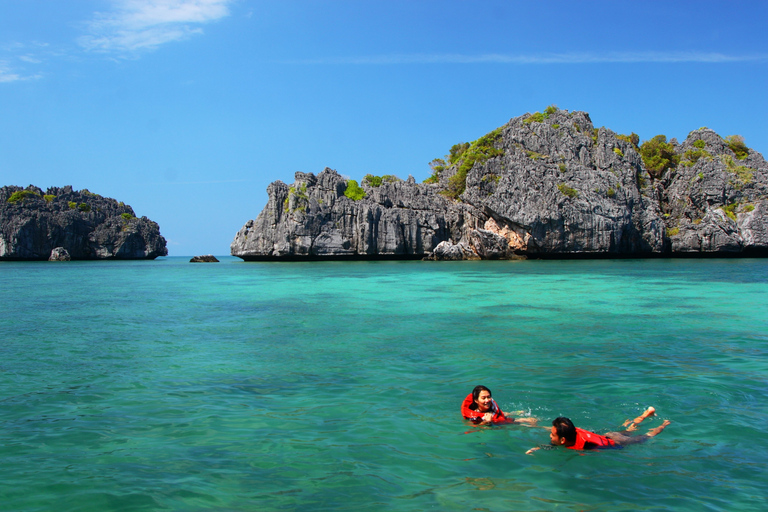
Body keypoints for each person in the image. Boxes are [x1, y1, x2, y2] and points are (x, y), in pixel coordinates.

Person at [526, 407, 671, 454]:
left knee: (647, 436)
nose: (550, 436)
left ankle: (664, 425)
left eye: (552, 434)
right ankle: (645, 415)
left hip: (615, 442)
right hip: (608, 435)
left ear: (563, 439)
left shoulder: (584, 446)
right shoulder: (569, 431)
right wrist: (538, 448)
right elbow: (555, 443)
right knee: (629, 429)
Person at [461, 385, 537, 426]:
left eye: (488, 397)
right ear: (476, 400)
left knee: (532, 420)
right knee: (527, 421)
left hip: (496, 414)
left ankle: (513, 412)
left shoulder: (490, 405)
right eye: (483, 398)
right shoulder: (472, 415)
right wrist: (486, 422)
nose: (487, 400)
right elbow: (474, 429)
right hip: (493, 419)